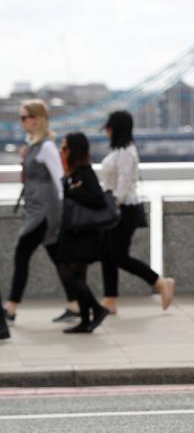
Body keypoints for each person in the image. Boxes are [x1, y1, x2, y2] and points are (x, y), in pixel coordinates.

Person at [4, 99, 78, 324]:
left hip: (45, 212)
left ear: (37, 119)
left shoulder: (46, 147)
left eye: (24, 117)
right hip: (35, 209)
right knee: (58, 258)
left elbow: (59, 180)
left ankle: (11, 307)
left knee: (22, 253)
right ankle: (76, 304)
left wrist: (62, 214)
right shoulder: (33, 146)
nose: (21, 122)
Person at [96, 110, 175, 318]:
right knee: (107, 254)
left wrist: (110, 205)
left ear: (115, 129)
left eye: (109, 126)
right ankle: (109, 299)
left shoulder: (126, 153)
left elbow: (122, 188)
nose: (106, 131)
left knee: (119, 256)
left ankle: (160, 282)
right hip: (115, 208)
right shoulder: (121, 150)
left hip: (123, 210)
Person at [57, 132, 112, 334]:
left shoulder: (85, 172)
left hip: (84, 233)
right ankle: (85, 319)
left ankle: (97, 310)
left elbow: (97, 198)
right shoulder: (71, 172)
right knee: (76, 275)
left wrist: (74, 191)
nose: (61, 151)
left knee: (70, 274)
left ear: (75, 150)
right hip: (73, 231)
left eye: (64, 148)